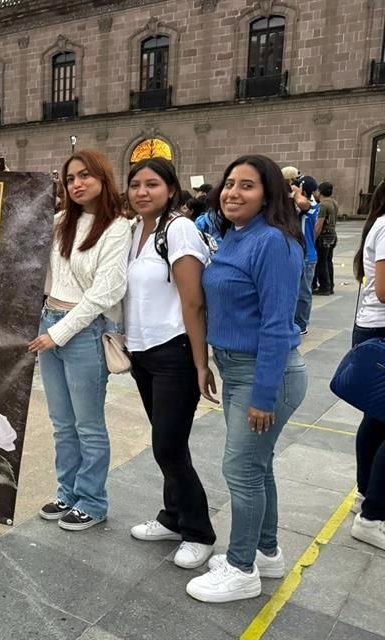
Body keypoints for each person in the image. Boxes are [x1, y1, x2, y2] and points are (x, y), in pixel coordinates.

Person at [186, 155, 307, 603]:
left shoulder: (274, 242)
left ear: (269, 194)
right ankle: (266, 552)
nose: (233, 192)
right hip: (237, 367)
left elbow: (278, 324)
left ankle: (241, 569)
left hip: (264, 372)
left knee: (239, 469)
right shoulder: (237, 236)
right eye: (229, 183)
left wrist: (263, 395)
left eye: (247, 186)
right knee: (256, 467)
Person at [28, 149, 132, 531]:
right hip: (48, 325)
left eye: (85, 175)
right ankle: (67, 492)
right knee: (61, 422)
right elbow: (38, 274)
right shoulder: (58, 223)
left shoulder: (117, 227)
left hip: (83, 332)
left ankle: (92, 500)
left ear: (103, 179)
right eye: (70, 178)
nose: (77, 184)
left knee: (88, 424)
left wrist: (59, 333)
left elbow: (107, 290)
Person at [124, 158, 217, 569]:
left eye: (152, 184)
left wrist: (200, 363)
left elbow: (193, 302)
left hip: (174, 352)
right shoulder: (133, 232)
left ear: (171, 188)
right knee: (167, 443)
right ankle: (172, 516)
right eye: (135, 184)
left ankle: (199, 532)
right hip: (142, 352)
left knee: (168, 447)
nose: (142, 192)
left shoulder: (178, 230)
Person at [349, 179, 385, 551]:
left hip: (373, 326)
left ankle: (366, 498)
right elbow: (384, 290)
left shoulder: (379, 221)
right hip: (382, 328)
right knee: (379, 420)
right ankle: (374, 514)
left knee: (376, 420)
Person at [293, 176, 319, 335]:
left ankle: (301, 324)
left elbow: (303, 203)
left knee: (303, 292)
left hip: (307, 256)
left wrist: (296, 192)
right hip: (298, 254)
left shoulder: (312, 205)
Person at [314, 182, 338, 295]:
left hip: (324, 235)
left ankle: (324, 286)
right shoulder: (334, 202)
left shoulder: (322, 205)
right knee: (328, 260)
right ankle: (330, 284)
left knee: (321, 262)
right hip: (332, 234)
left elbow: (319, 224)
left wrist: (314, 237)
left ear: (319, 191)